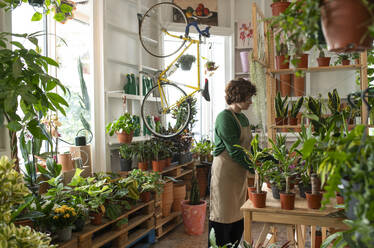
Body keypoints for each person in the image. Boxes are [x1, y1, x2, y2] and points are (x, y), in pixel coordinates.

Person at [209, 78, 257, 247]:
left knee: (237, 218)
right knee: (222, 218)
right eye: (248, 98)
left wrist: (260, 161)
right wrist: (255, 168)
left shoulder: (242, 118)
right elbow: (235, 150)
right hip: (225, 174)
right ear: (237, 97)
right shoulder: (224, 118)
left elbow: (248, 148)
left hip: (238, 174)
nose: (251, 102)